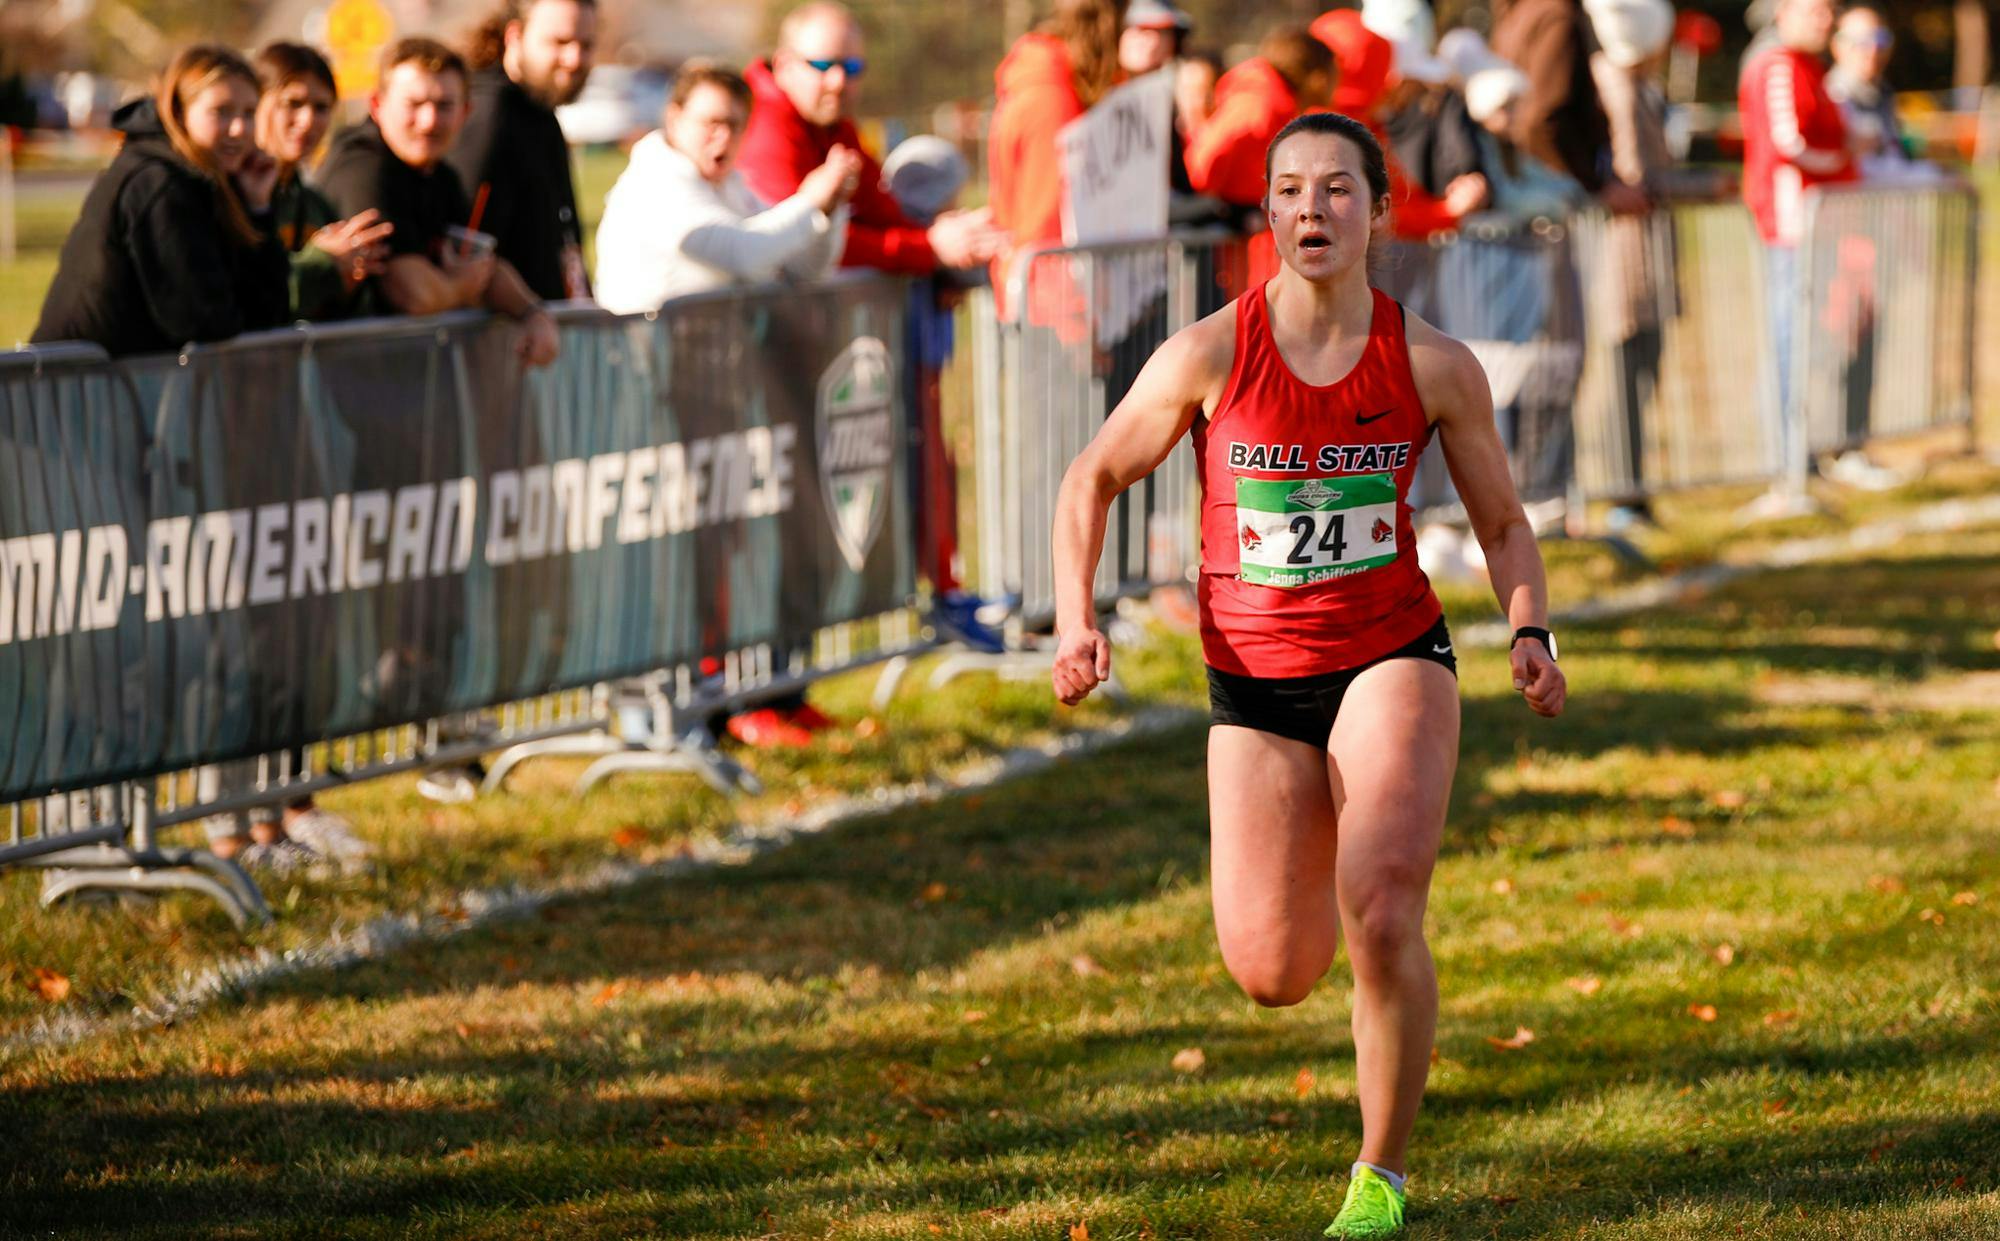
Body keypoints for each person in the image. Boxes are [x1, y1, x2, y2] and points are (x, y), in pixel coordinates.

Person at [1050, 111, 1566, 1238]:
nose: (1310, 210)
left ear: (1377, 211)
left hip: (1390, 652)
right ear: (1267, 211)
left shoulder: (1429, 361)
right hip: (1254, 680)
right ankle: (1326, 837)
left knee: (1381, 910)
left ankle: (1375, 1184)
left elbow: (1499, 520)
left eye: (1337, 189)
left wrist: (1529, 630)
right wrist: (1073, 620)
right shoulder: (1207, 353)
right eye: (1288, 190)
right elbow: (1088, 477)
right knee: (1272, 967)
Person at [32, 45, 290, 354]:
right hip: (81, 392)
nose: (238, 129)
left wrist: (257, 206)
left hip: (120, 391)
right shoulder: (159, 182)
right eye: (222, 111)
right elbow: (204, 323)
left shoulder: (209, 180)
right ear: (179, 112)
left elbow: (263, 313)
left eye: (249, 113)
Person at [318, 37, 560, 364]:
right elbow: (412, 293)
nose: (429, 121)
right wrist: (462, 288)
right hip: (345, 385)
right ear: (376, 105)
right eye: (414, 104)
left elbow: (482, 262)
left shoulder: (439, 174)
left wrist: (534, 315)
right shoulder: (362, 167)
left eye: (444, 106)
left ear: (465, 112)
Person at [739, 2, 1004, 276]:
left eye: (851, 67)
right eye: (823, 65)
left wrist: (952, 239)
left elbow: (878, 210)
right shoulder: (759, 125)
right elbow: (797, 241)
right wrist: (929, 249)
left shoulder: (832, 123)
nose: (838, 81)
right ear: (784, 64)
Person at [593, 62, 858, 311]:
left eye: (735, 125)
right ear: (674, 118)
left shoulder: (730, 187)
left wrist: (829, 208)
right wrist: (810, 201)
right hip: (641, 358)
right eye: (712, 123)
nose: (724, 137)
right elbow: (742, 255)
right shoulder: (653, 184)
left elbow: (805, 269)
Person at [1738, 0, 1856, 518]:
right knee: (1788, 344)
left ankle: (1798, 457)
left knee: (1807, 343)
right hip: (1789, 225)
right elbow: (1789, 142)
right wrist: (1843, 160)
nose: (1827, 19)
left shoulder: (1809, 66)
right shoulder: (1777, 64)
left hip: (1815, 225)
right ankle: (1781, 464)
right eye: (1817, 9)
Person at [449, 0, 597, 302]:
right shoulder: (490, 113)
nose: (574, 58)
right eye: (559, 42)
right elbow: (464, 251)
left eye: (586, 45)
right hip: (504, 339)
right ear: (514, 37)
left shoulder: (541, 114)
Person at [252, 42, 393, 321]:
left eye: (321, 108)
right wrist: (322, 262)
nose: (307, 121)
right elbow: (252, 300)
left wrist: (349, 281)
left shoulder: (315, 204)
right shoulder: (228, 199)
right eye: (293, 103)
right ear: (255, 101)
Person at [1185, 27, 1336, 209]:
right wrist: (1217, 211)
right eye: (1335, 73)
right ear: (1319, 79)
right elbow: (1203, 168)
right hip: (1227, 228)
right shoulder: (1258, 106)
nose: (1338, 83)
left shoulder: (1277, 107)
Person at [1490, 0, 1617, 196]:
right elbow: (1540, 118)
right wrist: (1593, 186)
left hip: (1531, 188)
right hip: (1554, 193)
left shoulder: (1516, 17)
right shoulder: (1554, 15)